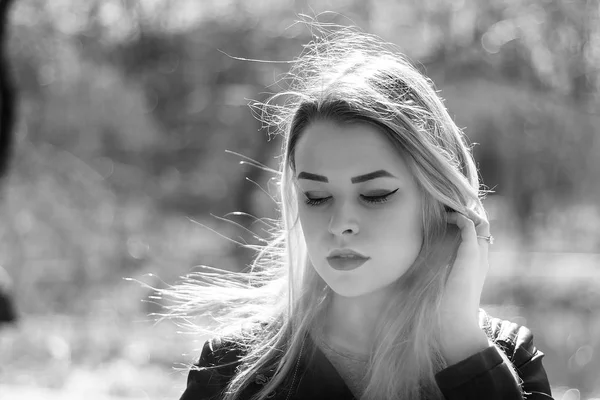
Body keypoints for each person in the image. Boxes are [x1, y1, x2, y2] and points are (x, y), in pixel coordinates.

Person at [171, 24, 553, 400]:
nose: (340, 225)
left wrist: (462, 345)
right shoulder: (230, 371)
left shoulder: (507, 361)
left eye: (375, 194)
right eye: (316, 197)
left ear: (441, 200)